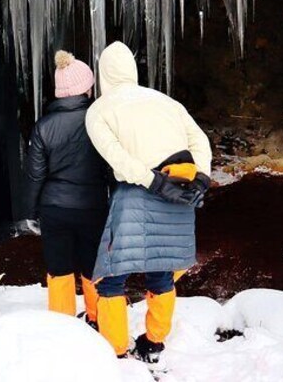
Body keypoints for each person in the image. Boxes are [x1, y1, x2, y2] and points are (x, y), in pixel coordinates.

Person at [85, 41, 212, 362]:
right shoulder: (167, 101)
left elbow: (118, 159)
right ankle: (154, 341)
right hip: (180, 191)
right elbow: (200, 140)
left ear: (103, 75)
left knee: (112, 274)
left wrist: (151, 179)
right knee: (162, 270)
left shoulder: (99, 109)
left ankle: (115, 347)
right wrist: (202, 176)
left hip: (136, 195)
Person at [23, 50, 109, 328]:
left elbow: (36, 175)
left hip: (54, 208)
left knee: (59, 269)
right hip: (92, 206)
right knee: (93, 265)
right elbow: (112, 167)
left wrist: (32, 212)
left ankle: (63, 326)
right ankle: (98, 318)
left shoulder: (44, 126)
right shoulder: (99, 121)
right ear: (86, 88)